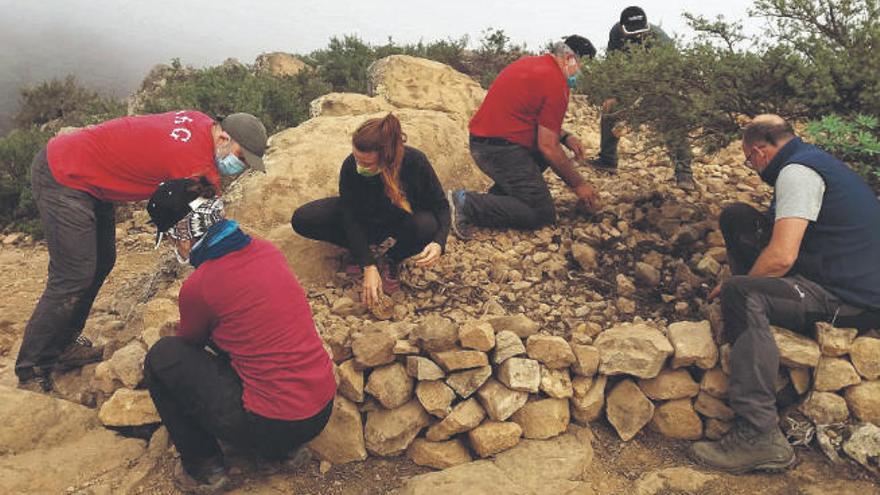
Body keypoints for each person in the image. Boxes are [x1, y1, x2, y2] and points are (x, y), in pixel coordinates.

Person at [15, 110, 268, 393]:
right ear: (223, 137)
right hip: (63, 173)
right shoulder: (193, 161)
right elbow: (209, 228)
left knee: (102, 261)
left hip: (90, 177)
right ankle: (31, 368)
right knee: (74, 274)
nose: (240, 166)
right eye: (241, 157)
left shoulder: (201, 122)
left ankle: (63, 345)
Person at [692, 115, 880, 473]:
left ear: (760, 150)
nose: (752, 167)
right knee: (738, 217)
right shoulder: (813, 160)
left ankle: (759, 434)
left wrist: (742, 282)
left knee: (741, 294)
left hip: (852, 297)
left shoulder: (796, 174)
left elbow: (781, 257)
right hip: (844, 270)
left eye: (749, 160)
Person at [144, 178, 336, 492]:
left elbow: (190, 342)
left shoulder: (201, 285)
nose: (173, 248)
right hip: (320, 410)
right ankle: (283, 454)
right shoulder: (266, 249)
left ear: (184, 235)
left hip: (274, 424)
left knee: (162, 357)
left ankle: (206, 468)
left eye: (171, 239)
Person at [447, 35, 599, 238]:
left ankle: (499, 199)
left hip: (483, 142)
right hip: (499, 150)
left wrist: (565, 137)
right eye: (582, 67)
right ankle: (466, 203)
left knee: (542, 158)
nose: (581, 74)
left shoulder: (531, 64)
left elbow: (530, 116)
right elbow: (548, 147)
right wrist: (579, 185)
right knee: (540, 213)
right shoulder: (556, 83)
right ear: (570, 58)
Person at [291, 113, 450, 306]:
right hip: (366, 218)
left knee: (428, 225)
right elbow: (349, 215)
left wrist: (438, 242)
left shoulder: (415, 162)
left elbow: (440, 205)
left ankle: (391, 259)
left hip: (400, 221)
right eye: (357, 159)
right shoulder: (351, 166)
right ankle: (362, 251)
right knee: (303, 218)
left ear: (388, 158)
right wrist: (367, 263)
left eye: (366, 163)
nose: (359, 166)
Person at [585, 6, 696, 191]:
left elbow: (673, 73)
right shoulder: (615, 33)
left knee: (673, 121)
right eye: (631, 31)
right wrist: (611, 94)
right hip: (629, 82)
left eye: (640, 31)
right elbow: (612, 64)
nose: (636, 35)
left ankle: (684, 172)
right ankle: (607, 160)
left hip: (660, 84)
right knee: (609, 110)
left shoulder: (660, 38)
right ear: (622, 27)